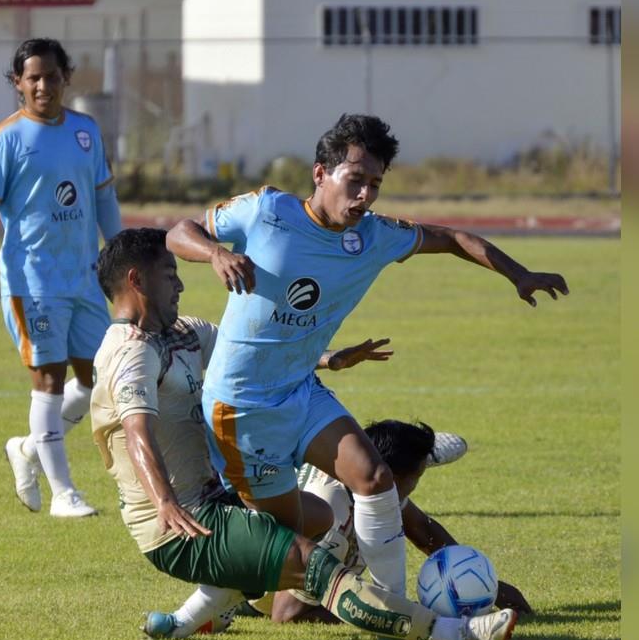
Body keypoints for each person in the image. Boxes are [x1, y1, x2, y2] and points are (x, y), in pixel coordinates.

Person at [166, 113, 569, 595]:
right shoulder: (265, 210)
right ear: (321, 174)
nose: (365, 196)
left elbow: (454, 239)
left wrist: (517, 274)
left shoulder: (373, 236)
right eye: (355, 181)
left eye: (375, 184)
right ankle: (217, 601)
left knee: (375, 478)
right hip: (241, 406)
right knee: (291, 536)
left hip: (300, 390)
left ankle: (395, 605)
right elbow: (178, 231)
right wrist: (214, 252)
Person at [89, 228, 518, 640]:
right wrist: (165, 502)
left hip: (217, 495)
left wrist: (331, 359)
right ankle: (456, 634)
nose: (180, 283)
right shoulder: (129, 352)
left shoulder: (183, 332)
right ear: (136, 281)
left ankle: (188, 621)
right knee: (317, 568)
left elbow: (255, 355)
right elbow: (136, 433)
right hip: (179, 525)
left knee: (315, 516)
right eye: (169, 273)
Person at [0, 38, 123, 518]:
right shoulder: (5, 138)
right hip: (31, 279)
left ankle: (29, 449)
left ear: (66, 79)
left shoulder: (85, 131)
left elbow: (103, 199)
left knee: (98, 377)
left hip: (84, 277)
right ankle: (64, 493)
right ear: (18, 83)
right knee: (49, 379)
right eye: (33, 77)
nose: (43, 85)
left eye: (51, 76)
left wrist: (121, 258)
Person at [265, 420, 535, 624]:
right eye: (417, 475)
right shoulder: (330, 517)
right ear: (391, 476)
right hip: (259, 596)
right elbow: (286, 613)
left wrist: (488, 587)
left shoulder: (362, 476)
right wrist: (383, 611)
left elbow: (421, 528)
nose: (417, 483)